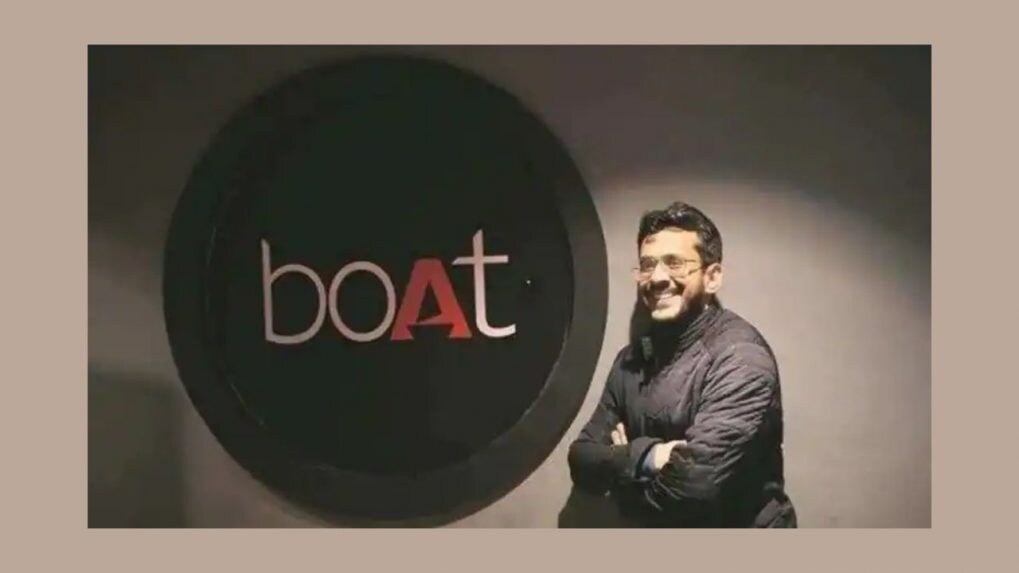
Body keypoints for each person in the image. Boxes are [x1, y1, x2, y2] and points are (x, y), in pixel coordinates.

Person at [567, 201, 797, 527]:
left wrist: (624, 478)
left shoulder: (741, 358)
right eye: (647, 265)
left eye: (674, 263)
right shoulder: (630, 361)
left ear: (712, 277)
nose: (657, 278)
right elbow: (581, 458)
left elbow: (691, 490)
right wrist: (651, 457)